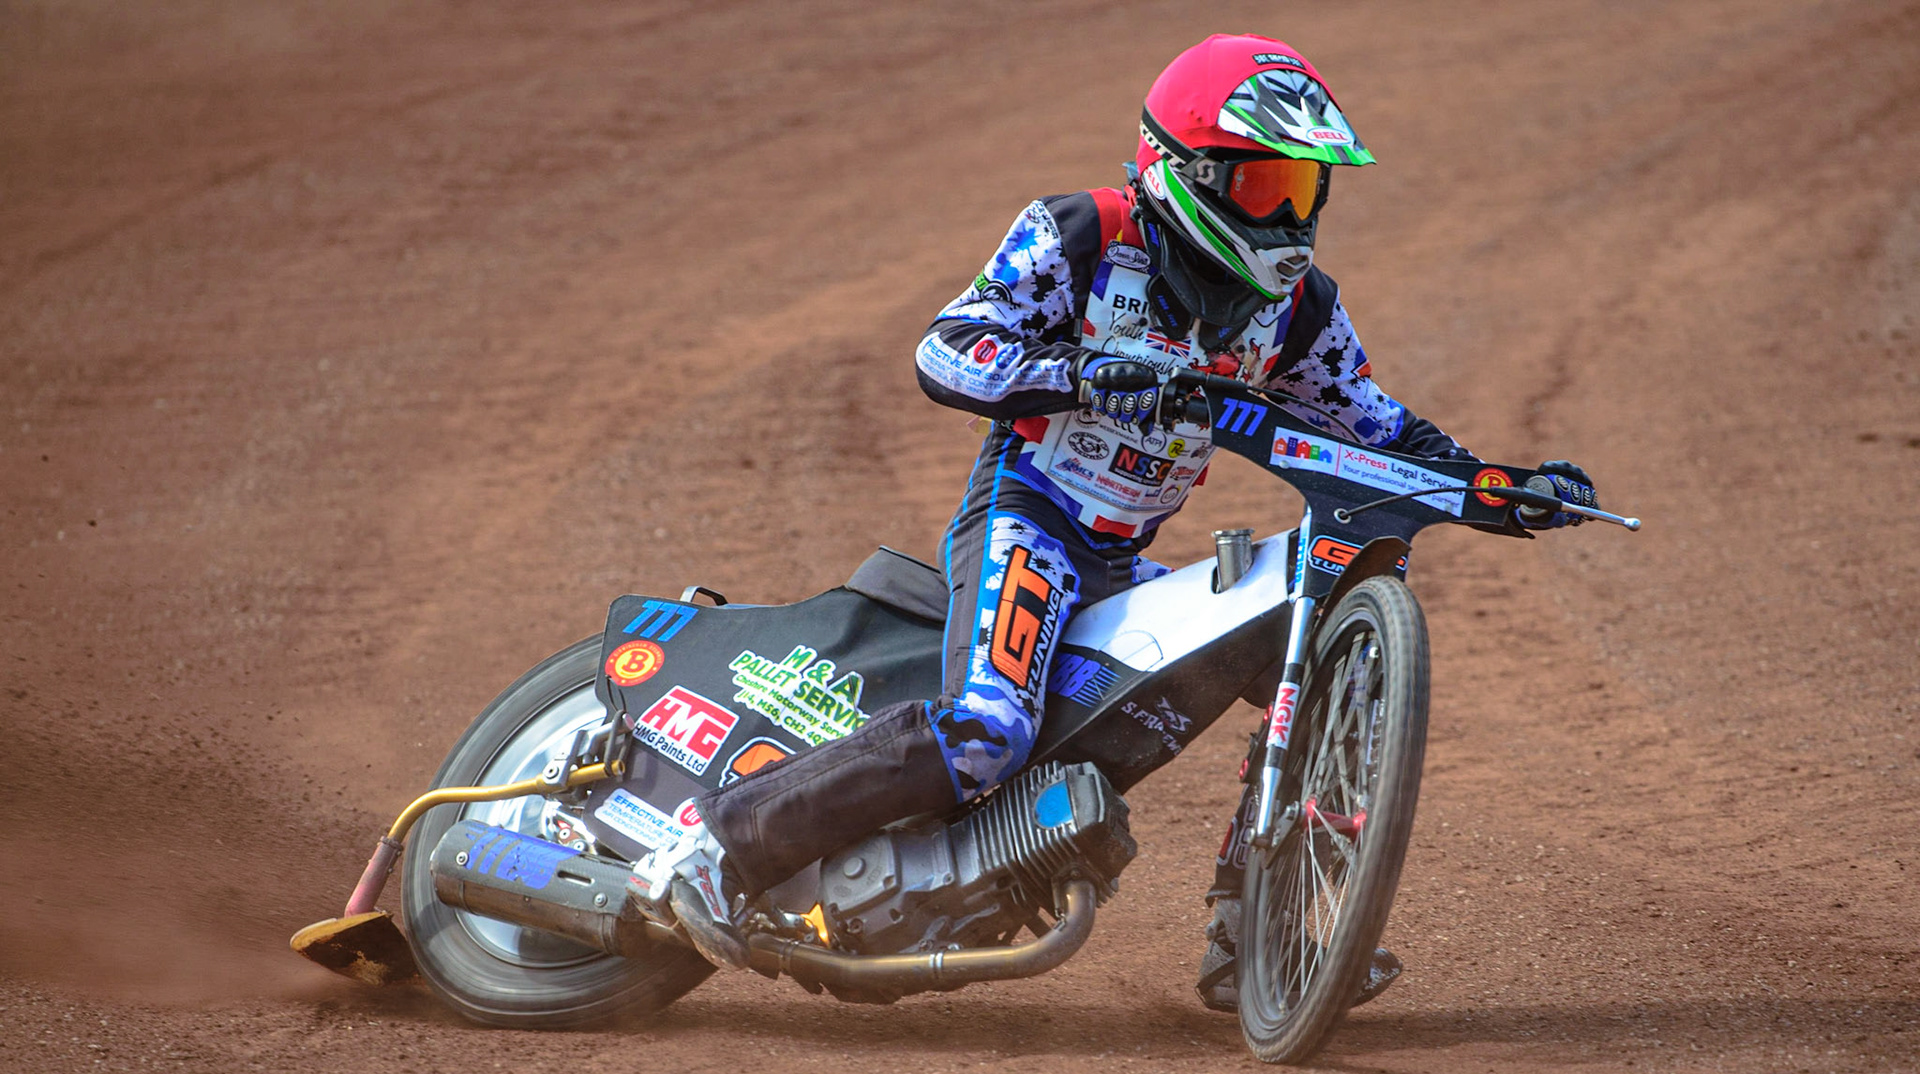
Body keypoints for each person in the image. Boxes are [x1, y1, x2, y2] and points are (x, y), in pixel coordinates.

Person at [627, 33, 1597, 1008]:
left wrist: (1496, 489)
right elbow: (948, 351)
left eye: (1305, 189)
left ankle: (1251, 934)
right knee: (989, 734)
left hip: (1125, 558)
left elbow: (1379, 430)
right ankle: (715, 848)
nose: (1291, 217)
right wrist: (1080, 375)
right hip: (1031, 519)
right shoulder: (1080, 235)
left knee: (1294, 642)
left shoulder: (1297, 311)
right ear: (1186, 172)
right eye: (1266, 191)